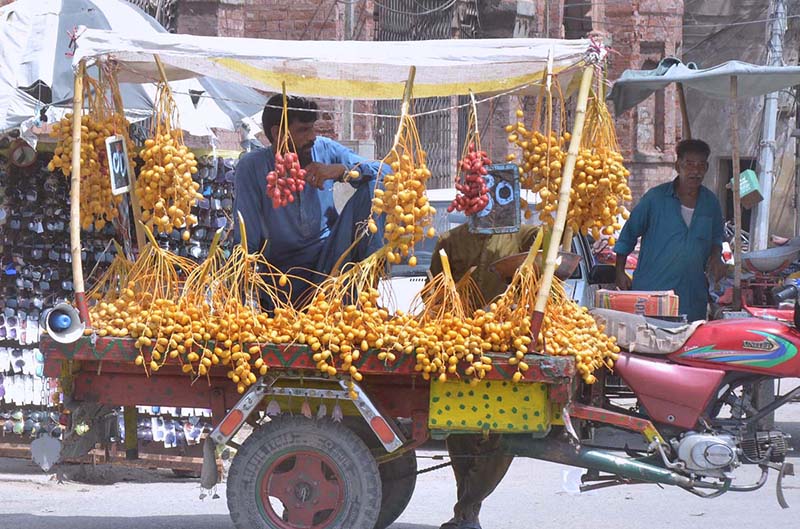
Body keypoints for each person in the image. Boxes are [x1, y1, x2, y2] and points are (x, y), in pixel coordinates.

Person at [429, 222, 539, 529]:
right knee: (460, 430)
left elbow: (548, 257)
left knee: (503, 433)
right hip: (461, 347)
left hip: (506, 347)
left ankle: (467, 508)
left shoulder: (524, 234)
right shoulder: (450, 240)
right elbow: (434, 294)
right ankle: (467, 512)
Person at [233, 94, 386, 304]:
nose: (312, 137)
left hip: (331, 261)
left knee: (375, 186)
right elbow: (245, 243)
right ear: (278, 133)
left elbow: (387, 173)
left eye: (313, 128)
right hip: (284, 281)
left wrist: (343, 171)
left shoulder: (323, 149)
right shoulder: (252, 168)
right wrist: (238, 300)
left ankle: (366, 296)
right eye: (304, 131)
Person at [613, 139, 726, 322]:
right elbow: (629, 234)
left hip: (692, 297)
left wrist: (716, 256)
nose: (695, 171)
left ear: (706, 168)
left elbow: (716, 237)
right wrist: (619, 272)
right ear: (678, 166)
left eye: (701, 166)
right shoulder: (655, 199)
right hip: (653, 293)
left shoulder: (710, 203)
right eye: (689, 164)